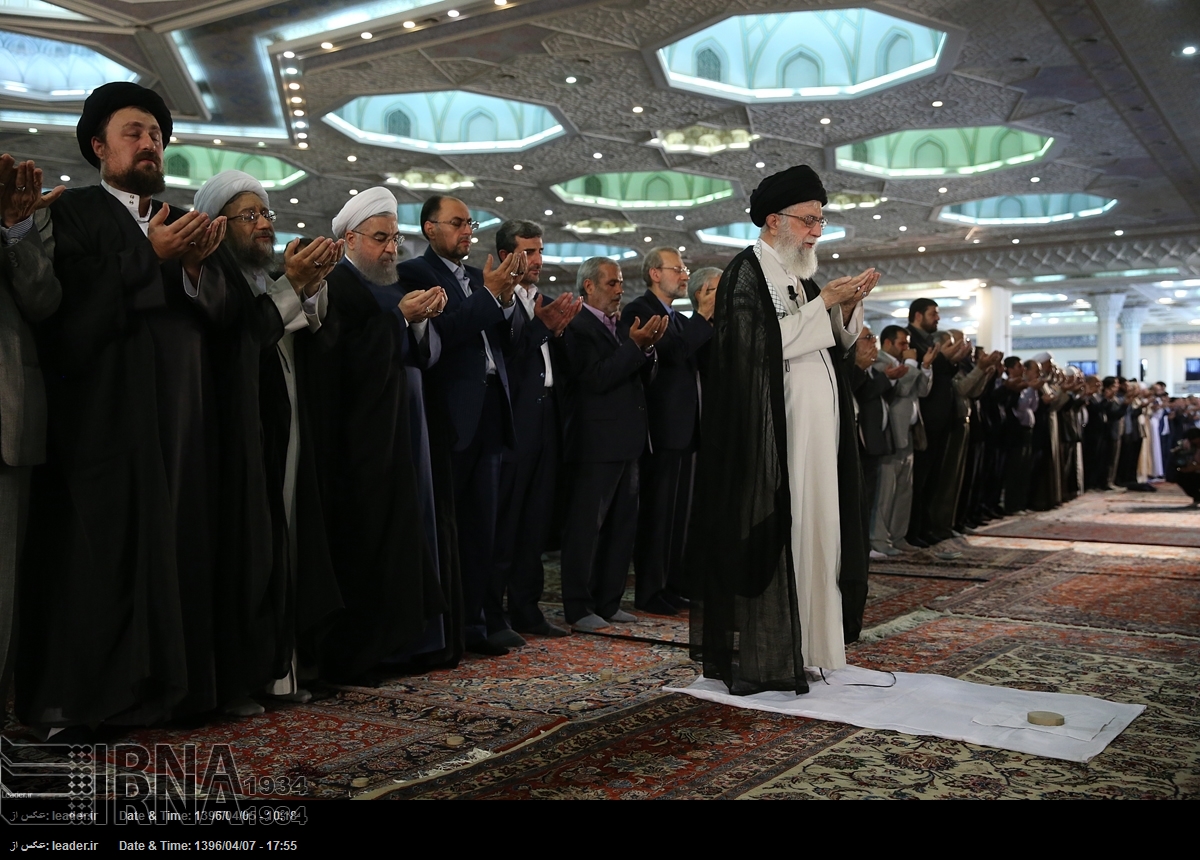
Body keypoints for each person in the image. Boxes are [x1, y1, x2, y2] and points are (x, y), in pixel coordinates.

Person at [19, 82, 228, 732]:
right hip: (102, 423)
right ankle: (99, 702)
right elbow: (64, 310)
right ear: (97, 145)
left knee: (179, 547)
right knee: (100, 558)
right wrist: (148, 257)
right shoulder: (74, 212)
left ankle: (177, 693)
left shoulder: (174, 216)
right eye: (134, 133)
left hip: (177, 424)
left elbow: (219, 313)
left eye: (157, 136)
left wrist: (193, 268)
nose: (149, 145)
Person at [689, 164, 878, 696]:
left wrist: (849, 306)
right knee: (789, 530)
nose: (817, 231)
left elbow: (833, 342)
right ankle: (775, 649)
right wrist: (825, 305)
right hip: (781, 432)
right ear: (775, 221)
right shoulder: (746, 273)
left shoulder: (799, 272)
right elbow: (753, 348)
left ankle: (814, 647)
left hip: (818, 430)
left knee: (821, 528)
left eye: (821, 220)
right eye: (809, 220)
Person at [191, 169, 340, 711]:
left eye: (266, 214)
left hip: (281, 429)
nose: (262, 224)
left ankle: (277, 673)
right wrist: (293, 287)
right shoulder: (212, 274)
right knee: (247, 555)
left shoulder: (257, 274)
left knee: (281, 549)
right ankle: (242, 678)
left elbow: (299, 332)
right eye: (248, 215)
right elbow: (241, 338)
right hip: (234, 439)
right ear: (217, 224)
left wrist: (309, 285)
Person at [305, 187, 452, 678]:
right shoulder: (337, 284)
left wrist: (415, 322)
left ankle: (409, 643)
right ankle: (371, 652)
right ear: (349, 239)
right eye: (380, 238)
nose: (391, 249)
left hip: (404, 428)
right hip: (359, 438)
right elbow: (338, 355)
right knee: (369, 539)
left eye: (395, 238)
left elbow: (421, 356)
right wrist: (399, 320)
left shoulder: (393, 285)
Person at [396, 195, 524, 656]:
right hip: (451, 415)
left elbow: (506, 341)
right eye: (456, 223)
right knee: (451, 527)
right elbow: (442, 334)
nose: (467, 231)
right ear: (430, 228)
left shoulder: (476, 277)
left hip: (492, 410)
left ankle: (479, 621)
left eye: (470, 223)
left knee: (484, 529)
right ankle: (451, 628)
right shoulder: (414, 273)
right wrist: (492, 296)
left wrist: (506, 302)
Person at [560, 257, 665, 631]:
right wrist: (635, 348)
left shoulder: (620, 325)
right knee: (587, 529)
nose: (620, 290)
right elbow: (595, 378)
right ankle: (578, 605)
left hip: (628, 440)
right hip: (595, 443)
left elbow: (640, 375)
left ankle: (608, 600)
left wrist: (647, 349)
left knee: (622, 527)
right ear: (588, 286)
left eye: (621, 283)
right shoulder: (576, 323)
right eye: (611, 283)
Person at [490, 219, 579, 641]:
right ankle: (493, 613)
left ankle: (527, 609)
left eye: (541, 251)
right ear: (507, 254)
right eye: (529, 252)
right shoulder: (493, 298)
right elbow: (503, 358)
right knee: (505, 521)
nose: (538, 261)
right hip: (512, 420)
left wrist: (557, 331)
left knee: (536, 521)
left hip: (546, 417)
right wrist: (543, 326)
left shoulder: (542, 299)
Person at [0, 155, 63, 714]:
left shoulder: (24, 218)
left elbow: (44, 302)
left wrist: (12, 230)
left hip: (7, 419)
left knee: (5, 591)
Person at [625, 247, 714, 616]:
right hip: (660, 430)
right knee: (657, 516)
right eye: (676, 268)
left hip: (684, 431)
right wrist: (704, 315)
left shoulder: (675, 317)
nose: (683, 274)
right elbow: (674, 354)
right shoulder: (640, 310)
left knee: (678, 517)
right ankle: (649, 590)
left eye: (683, 267)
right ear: (654, 274)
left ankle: (670, 584)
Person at [871, 325, 933, 556]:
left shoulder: (903, 365)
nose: (907, 348)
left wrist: (925, 367)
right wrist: (913, 365)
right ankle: (879, 540)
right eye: (902, 344)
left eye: (908, 344)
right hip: (891, 435)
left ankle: (898, 536)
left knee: (904, 492)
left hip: (908, 434)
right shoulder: (879, 362)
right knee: (886, 493)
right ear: (887, 343)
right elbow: (903, 389)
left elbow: (922, 391)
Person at [848, 326, 895, 561]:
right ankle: (856, 549)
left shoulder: (871, 369)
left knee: (868, 499)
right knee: (855, 501)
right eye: (868, 338)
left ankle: (864, 546)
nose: (873, 342)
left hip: (872, 442)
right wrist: (859, 368)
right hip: (855, 443)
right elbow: (861, 392)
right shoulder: (848, 369)